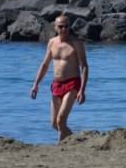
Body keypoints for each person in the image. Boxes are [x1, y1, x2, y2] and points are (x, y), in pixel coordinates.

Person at [30, 14, 89, 142]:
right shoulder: (52, 42)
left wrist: (82, 90)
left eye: (66, 26)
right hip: (56, 84)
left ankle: (61, 146)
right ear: (55, 27)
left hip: (72, 83)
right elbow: (45, 65)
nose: (64, 29)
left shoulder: (77, 43)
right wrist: (36, 84)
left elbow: (84, 67)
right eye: (61, 26)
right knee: (54, 124)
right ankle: (78, 141)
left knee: (61, 120)